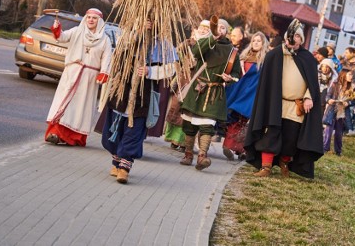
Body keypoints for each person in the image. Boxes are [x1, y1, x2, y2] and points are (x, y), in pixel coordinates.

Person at [244, 19, 324, 178]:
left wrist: (309, 97)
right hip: (276, 104)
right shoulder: (275, 55)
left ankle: (284, 162)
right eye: (290, 38)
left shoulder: (307, 58)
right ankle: (266, 166)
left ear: (301, 40)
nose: (293, 42)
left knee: (291, 138)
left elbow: (313, 84)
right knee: (270, 134)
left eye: (297, 38)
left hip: (296, 106)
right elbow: (267, 82)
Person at [100, 19, 174, 184]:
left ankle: (125, 166)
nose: (149, 24)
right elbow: (120, 50)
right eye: (145, 21)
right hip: (122, 89)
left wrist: (150, 70)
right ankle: (116, 160)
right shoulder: (128, 36)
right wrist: (138, 33)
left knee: (133, 131)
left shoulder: (162, 44)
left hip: (143, 93)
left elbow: (171, 68)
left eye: (152, 22)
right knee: (114, 130)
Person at [179, 17, 241, 171]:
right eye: (217, 27)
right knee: (189, 124)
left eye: (222, 28)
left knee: (207, 125)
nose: (219, 29)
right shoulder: (205, 42)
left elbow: (237, 74)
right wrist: (211, 38)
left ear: (226, 32)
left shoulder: (232, 52)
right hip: (197, 89)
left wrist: (230, 78)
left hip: (214, 91)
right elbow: (195, 53)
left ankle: (202, 156)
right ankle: (188, 153)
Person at [45, 8, 111, 146]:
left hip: (89, 79)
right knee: (64, 103)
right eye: (88, 17)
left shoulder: (105, 40)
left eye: (94, 18)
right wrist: (57, 29)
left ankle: (74, 137)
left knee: (81, 108)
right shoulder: (77, 31)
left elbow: (107, 58)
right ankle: (56, 134)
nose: (91, 20)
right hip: (72, 73)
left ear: (99, 21)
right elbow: (62, 37)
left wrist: (104, 72)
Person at [222, 31, 269, 160]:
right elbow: (237, 74)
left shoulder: (265, 60)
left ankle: (242, 149)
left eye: (259, 41)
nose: (256, 43)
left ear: (263, 43)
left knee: (245, 122)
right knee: (234, 119)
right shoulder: (243, 57)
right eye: (254, 40)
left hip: (252, 95)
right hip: (239, 91)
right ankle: (228, 146)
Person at [323, 69, 355, 156]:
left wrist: (348, 103)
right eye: (349, 75)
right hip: (332, 110)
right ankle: (325, 148)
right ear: (343, 75)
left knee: (339, 133)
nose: (351, 77)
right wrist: (329, 100)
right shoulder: (335, 84)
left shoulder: (352, 87)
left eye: (351, 75)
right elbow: (327, 96)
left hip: (342, 113)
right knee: (328, 131)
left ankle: (338, 151)